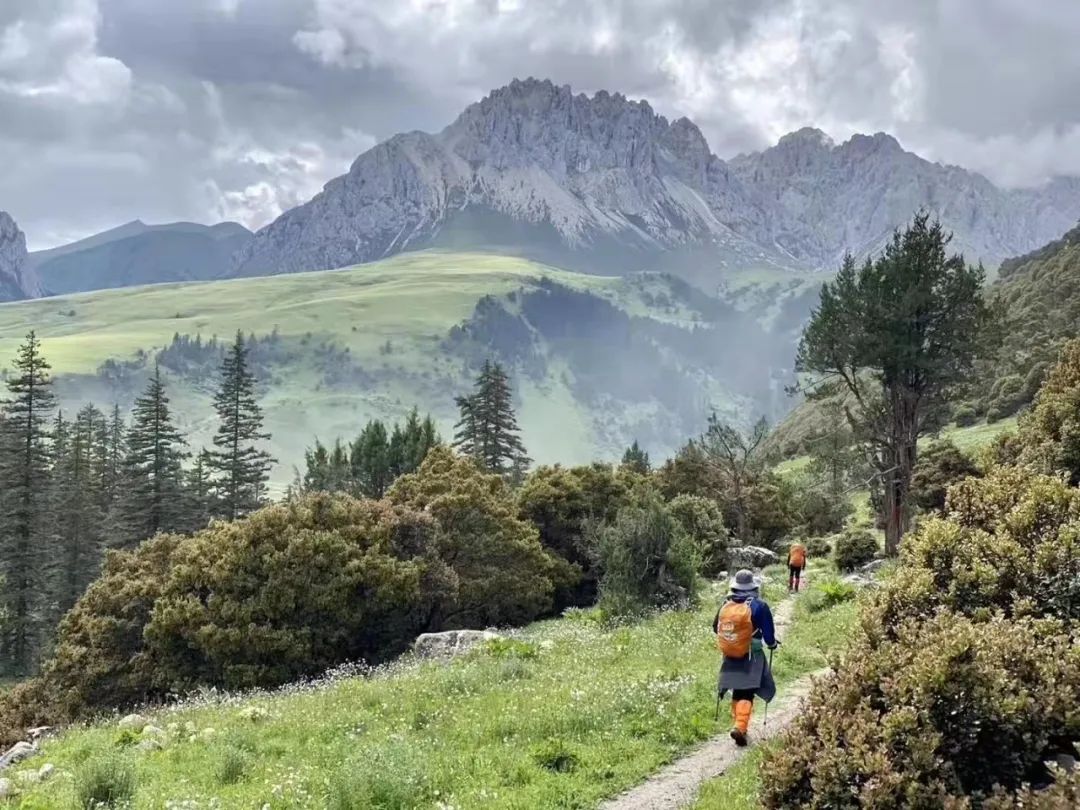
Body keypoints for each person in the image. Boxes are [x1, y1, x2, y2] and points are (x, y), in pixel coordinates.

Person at [713, 569, 778, 747]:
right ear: (752, 587)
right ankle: (740, 727)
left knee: (737, 688)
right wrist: (771, 644)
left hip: (730, 653)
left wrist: (733, 639)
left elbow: (715, 628)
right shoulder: (759, 605)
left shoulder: (726, 604)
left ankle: (739, 726)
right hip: (752, 652)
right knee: (747, 690)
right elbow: (769, 633)